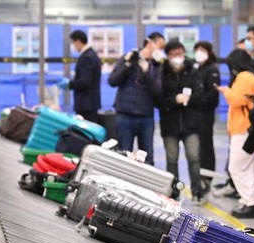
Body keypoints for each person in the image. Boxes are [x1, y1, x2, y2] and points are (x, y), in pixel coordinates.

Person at [217, 49, 254, 218]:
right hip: (248, 128)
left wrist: (226, 91)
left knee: (236, 168)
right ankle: (250, 200)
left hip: (243, 128)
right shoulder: (250, 76)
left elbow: (237, 99)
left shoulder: (244, 77)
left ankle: (251, 202)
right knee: (249, 167)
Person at [158, 39, 208, 203]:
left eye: (180, 53)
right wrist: (175, 100)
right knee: (172, 160)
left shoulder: (193, 71)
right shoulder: (162, 72)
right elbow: (158, 99)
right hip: (170, 123)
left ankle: (197, 191)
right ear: (168, 56)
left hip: (191, 123)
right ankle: (173, 191)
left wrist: (189, 98)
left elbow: (201, 96)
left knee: (193, 157)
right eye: (173, 54)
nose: (177, 57)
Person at [108, 34, 164, 165]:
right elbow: (112, 80)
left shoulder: (157, 66)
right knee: (123, 155)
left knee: (147, 156)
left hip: (146, 116)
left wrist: (146, 73)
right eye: (160, 46)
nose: (160, 50)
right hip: (125, 114)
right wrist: (127, 64)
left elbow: (157, 90)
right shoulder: (128, 58)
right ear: (150, 43)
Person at [193, 41, 221, 190]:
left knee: (206, 146)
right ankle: (199, 176)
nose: (199, 53)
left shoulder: (212, 70)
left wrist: (196, 101)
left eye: (202, 50)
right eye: (196, 50)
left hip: (205, 114)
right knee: (197, 147)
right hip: (195, 114)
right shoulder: (197, 69)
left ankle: (207, 177)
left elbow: (212, 96)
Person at [66, 30, 102, 122]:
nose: (72, 46)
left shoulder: (87, 57)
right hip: (88, 104)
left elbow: (85, 81)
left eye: (73, 43)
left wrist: (69, 84)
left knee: (85, 133)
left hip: (86, 104)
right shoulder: (90, 55)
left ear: (78, 41)